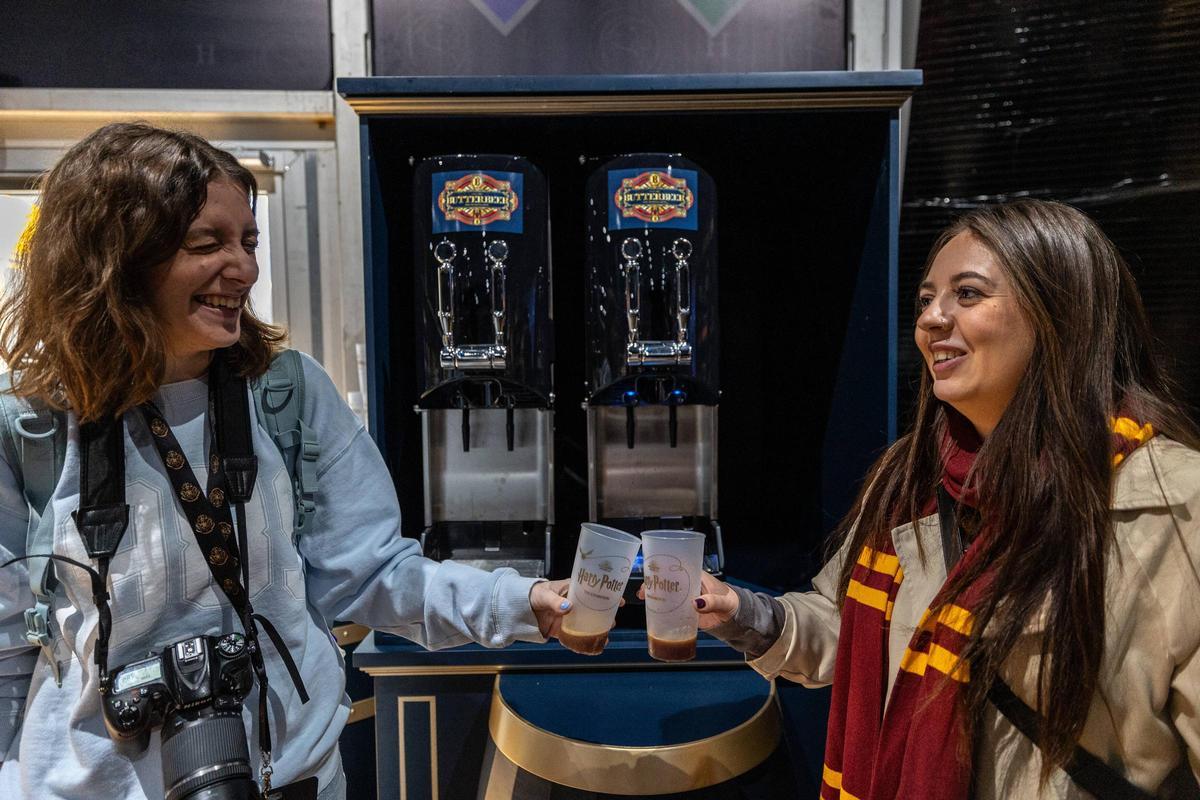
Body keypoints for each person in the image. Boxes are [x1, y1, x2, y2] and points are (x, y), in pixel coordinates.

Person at [0, 121, 572, 800]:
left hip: (293, 781)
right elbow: (7, 651)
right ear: (116, 261)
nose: (241, 268)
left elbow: (371, 574)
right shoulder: (29, 428)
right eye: (205, 244)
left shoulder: (286, 394)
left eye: (248, 241)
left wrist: (525, 602)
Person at [696, 200, 1200, 798]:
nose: (931, 319)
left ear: (1060, 314)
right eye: (926, 299)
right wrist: (742, 615)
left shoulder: (1173, 503)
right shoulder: (910, 482)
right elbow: (850, 627)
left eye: (967, 294)